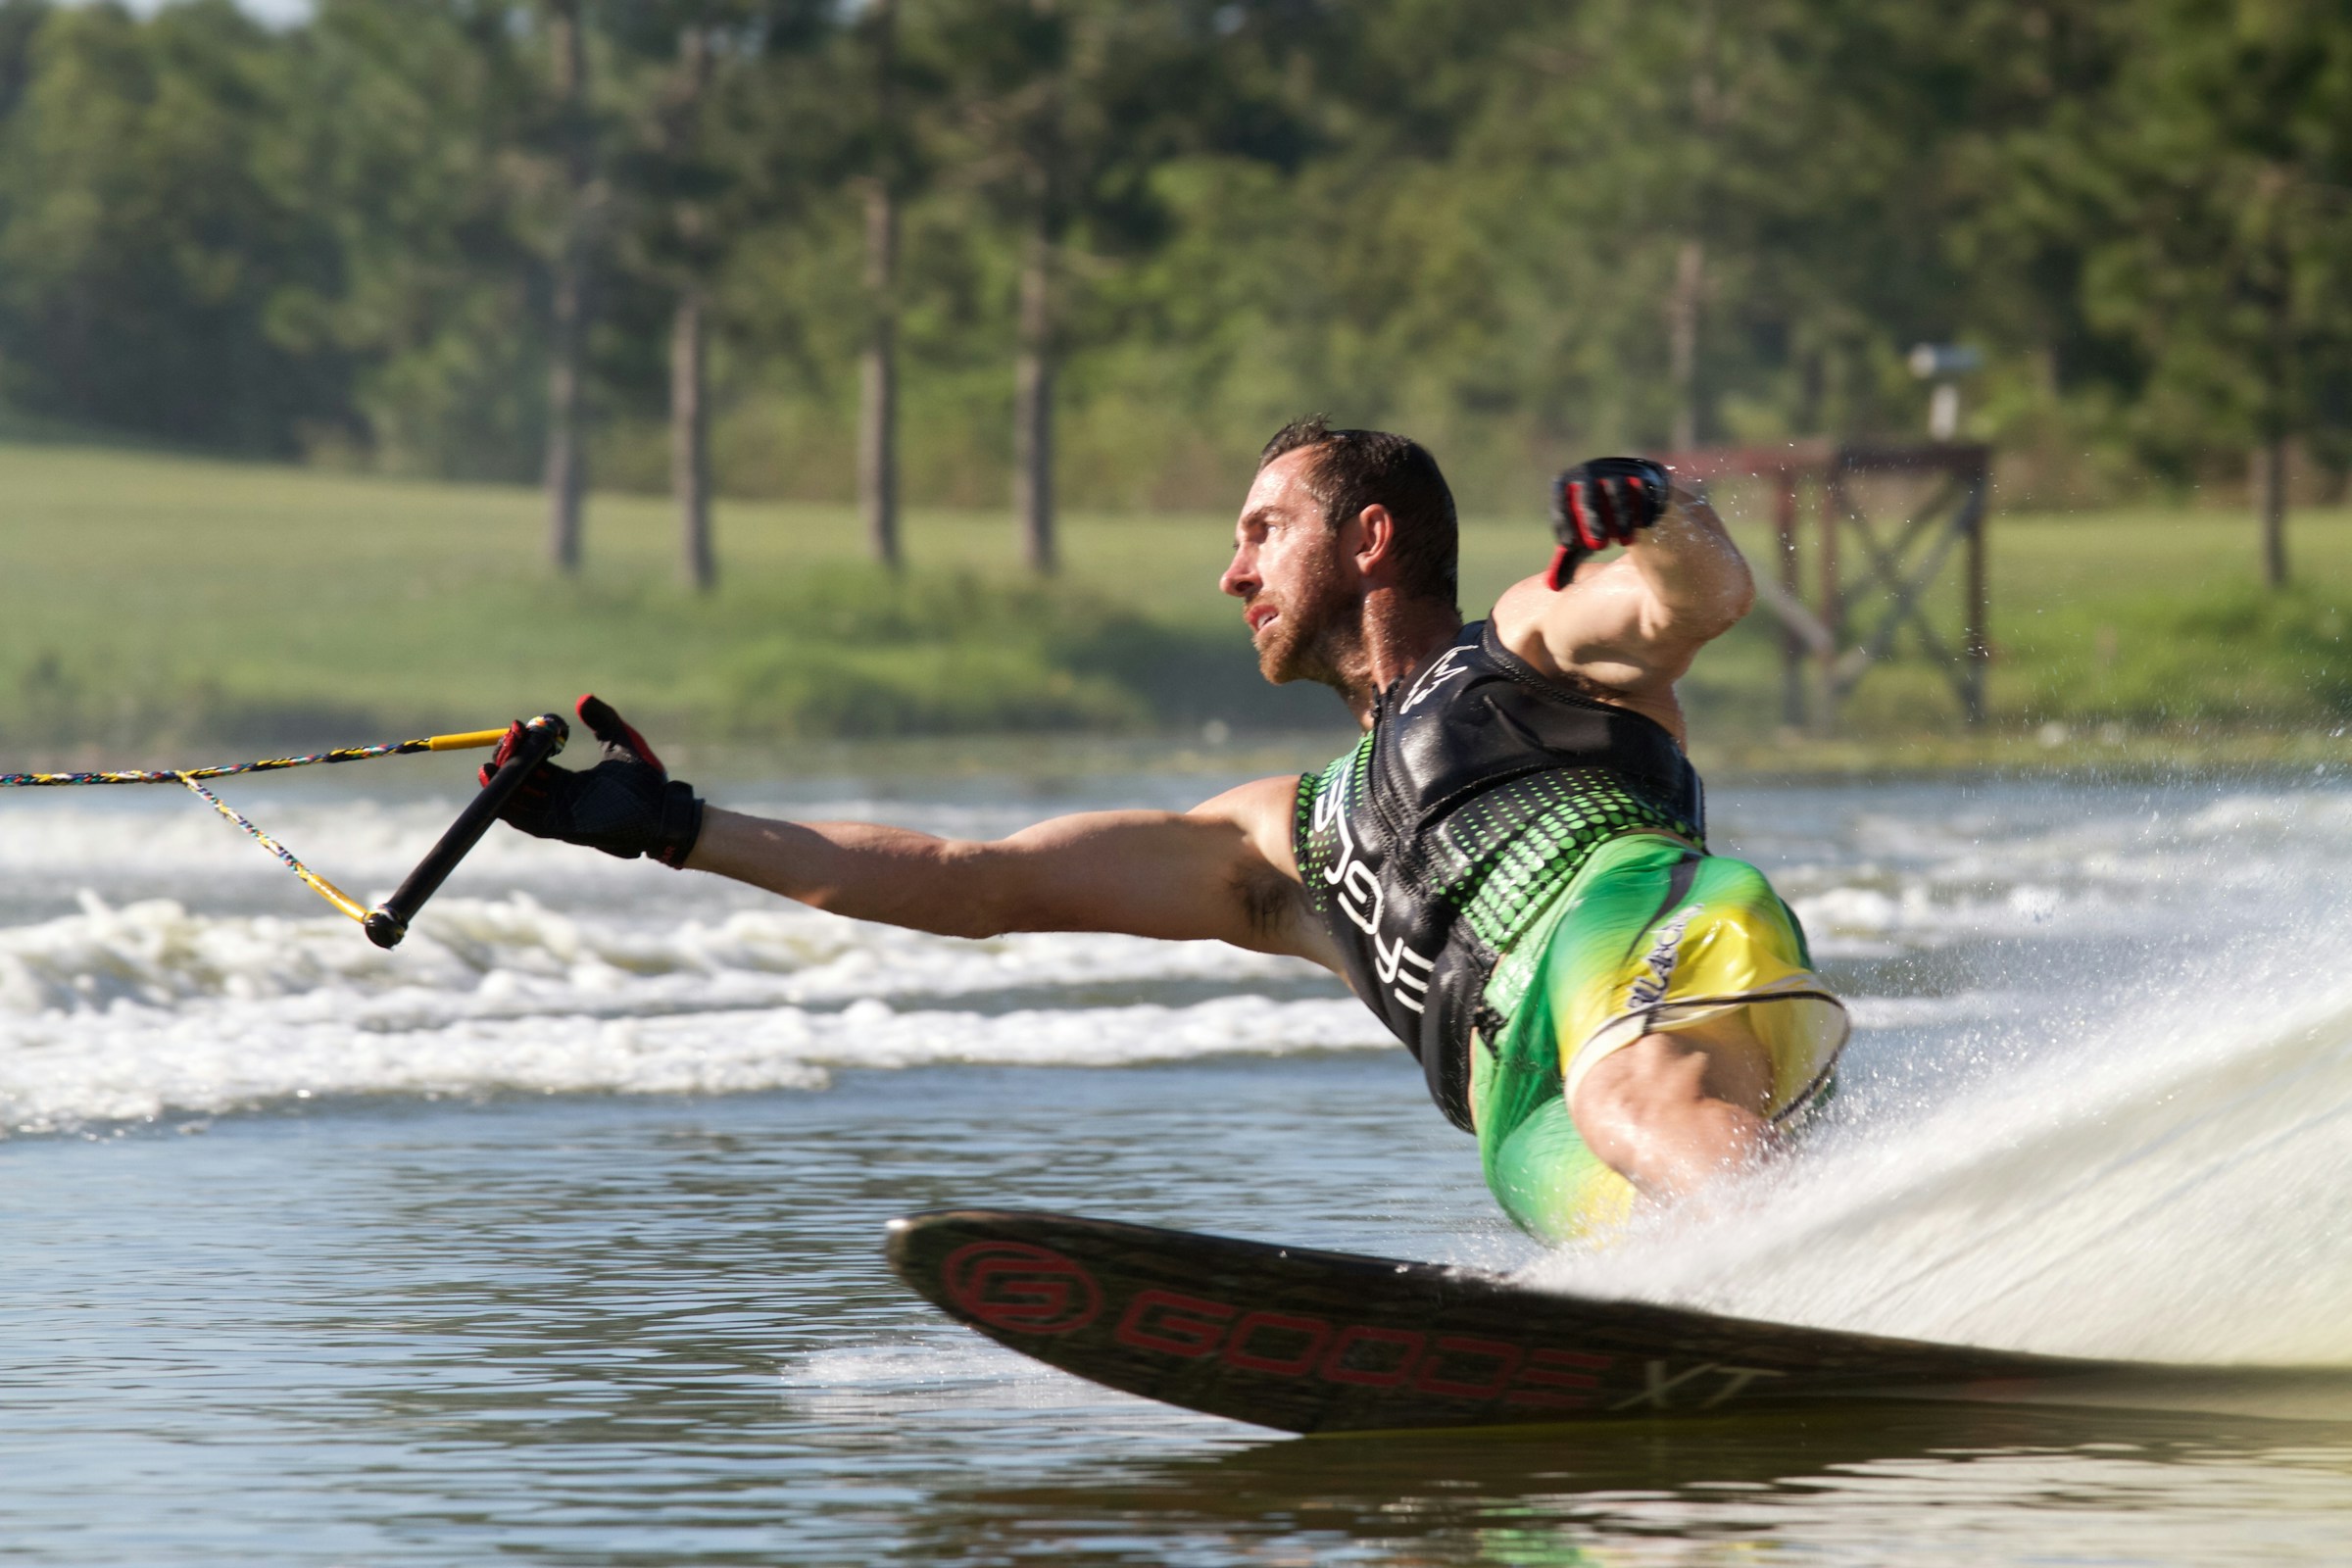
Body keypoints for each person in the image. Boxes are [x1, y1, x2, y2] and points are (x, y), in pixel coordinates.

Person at [486, 417, 1847, 1245]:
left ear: (1370, 539)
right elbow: (980, 885)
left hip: (1639, 941)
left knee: (1636, 1109)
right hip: (1524, 1110)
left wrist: (1657, 512)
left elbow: (1692, 602)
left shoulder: (1524, 646)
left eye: (1263, 531)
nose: (1231, 570)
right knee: (1631, 1246)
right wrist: (675, 826)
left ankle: (1839, 1283)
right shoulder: (1280, 846)